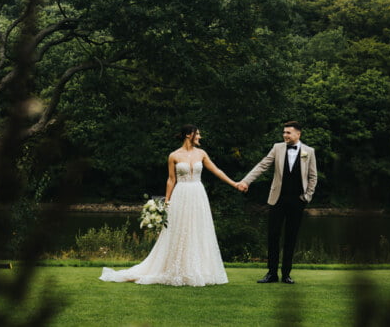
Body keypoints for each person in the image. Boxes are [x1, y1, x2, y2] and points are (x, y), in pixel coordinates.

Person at [99, 124, 243, 286]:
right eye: (198, 134)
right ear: (189, 135)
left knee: (198, 229)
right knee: (179, 230)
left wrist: (235, 184)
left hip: (198, 195)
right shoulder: (174, 156)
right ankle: (177, 269)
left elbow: (217, 171)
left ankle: (198, 270)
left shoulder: (201, 154)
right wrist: (167, 201)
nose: (200, 137)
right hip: (181, 194)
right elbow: (171, 179)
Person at [237, 121, 317, 284]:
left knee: (291, 237)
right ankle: (271, 274)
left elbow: (313, 176)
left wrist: (307, 196)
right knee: (273, 236)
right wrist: (246, 181)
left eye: (288, 132)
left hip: (297, 201)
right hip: (277, 199)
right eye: (284, 132)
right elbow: (262, 166)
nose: (285, 135)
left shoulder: (309, 152)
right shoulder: (277, 148)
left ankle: (286, 274)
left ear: (298, 134)